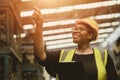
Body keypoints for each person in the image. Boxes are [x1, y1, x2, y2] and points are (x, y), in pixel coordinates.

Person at [32, 7, 119, 80]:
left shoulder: (103, 57)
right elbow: (41, 55)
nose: (75, 31)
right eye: (74, 28)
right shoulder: (62, 55)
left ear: (90, 35)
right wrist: (39, 26)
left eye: (80, 29)